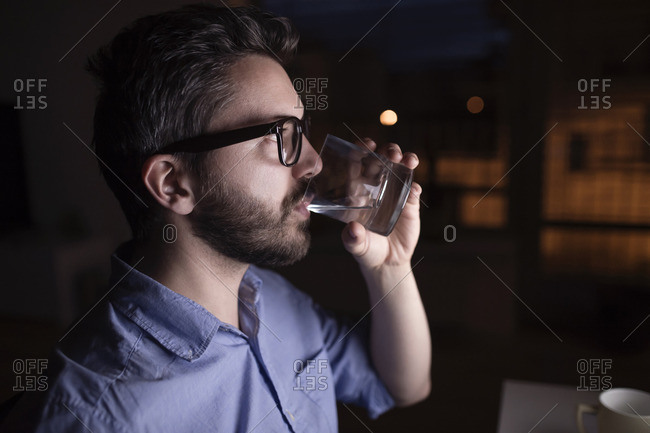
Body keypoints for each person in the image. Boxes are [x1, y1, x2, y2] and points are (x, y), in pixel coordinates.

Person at [1, 4, 431, 432]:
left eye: (301, 129)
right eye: (279, 136)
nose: (314, 162)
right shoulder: (97, 416)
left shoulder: (272, 298)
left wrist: (389, 268)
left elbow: (401, 387)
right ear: (173, 184)